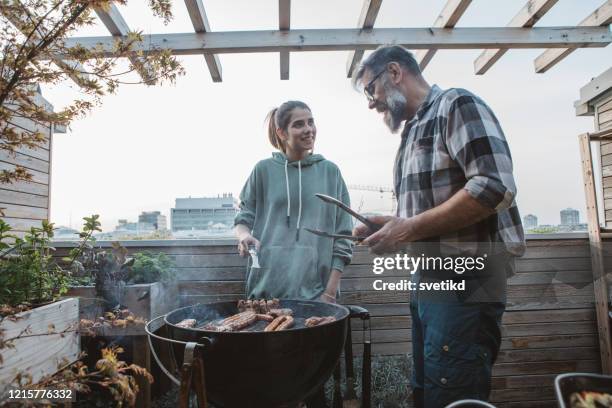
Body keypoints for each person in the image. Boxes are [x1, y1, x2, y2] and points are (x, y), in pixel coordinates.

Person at [351, 46, 525, 408]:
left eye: (371, 90)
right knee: (428, 387)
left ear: (395, 73)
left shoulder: (456, 104)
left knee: (453, 391)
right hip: (429, 279)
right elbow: (422, 215)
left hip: (466, 281)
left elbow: (494, 186)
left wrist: (408, 229)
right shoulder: (412, 132)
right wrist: (390, 224)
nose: (371, 103)